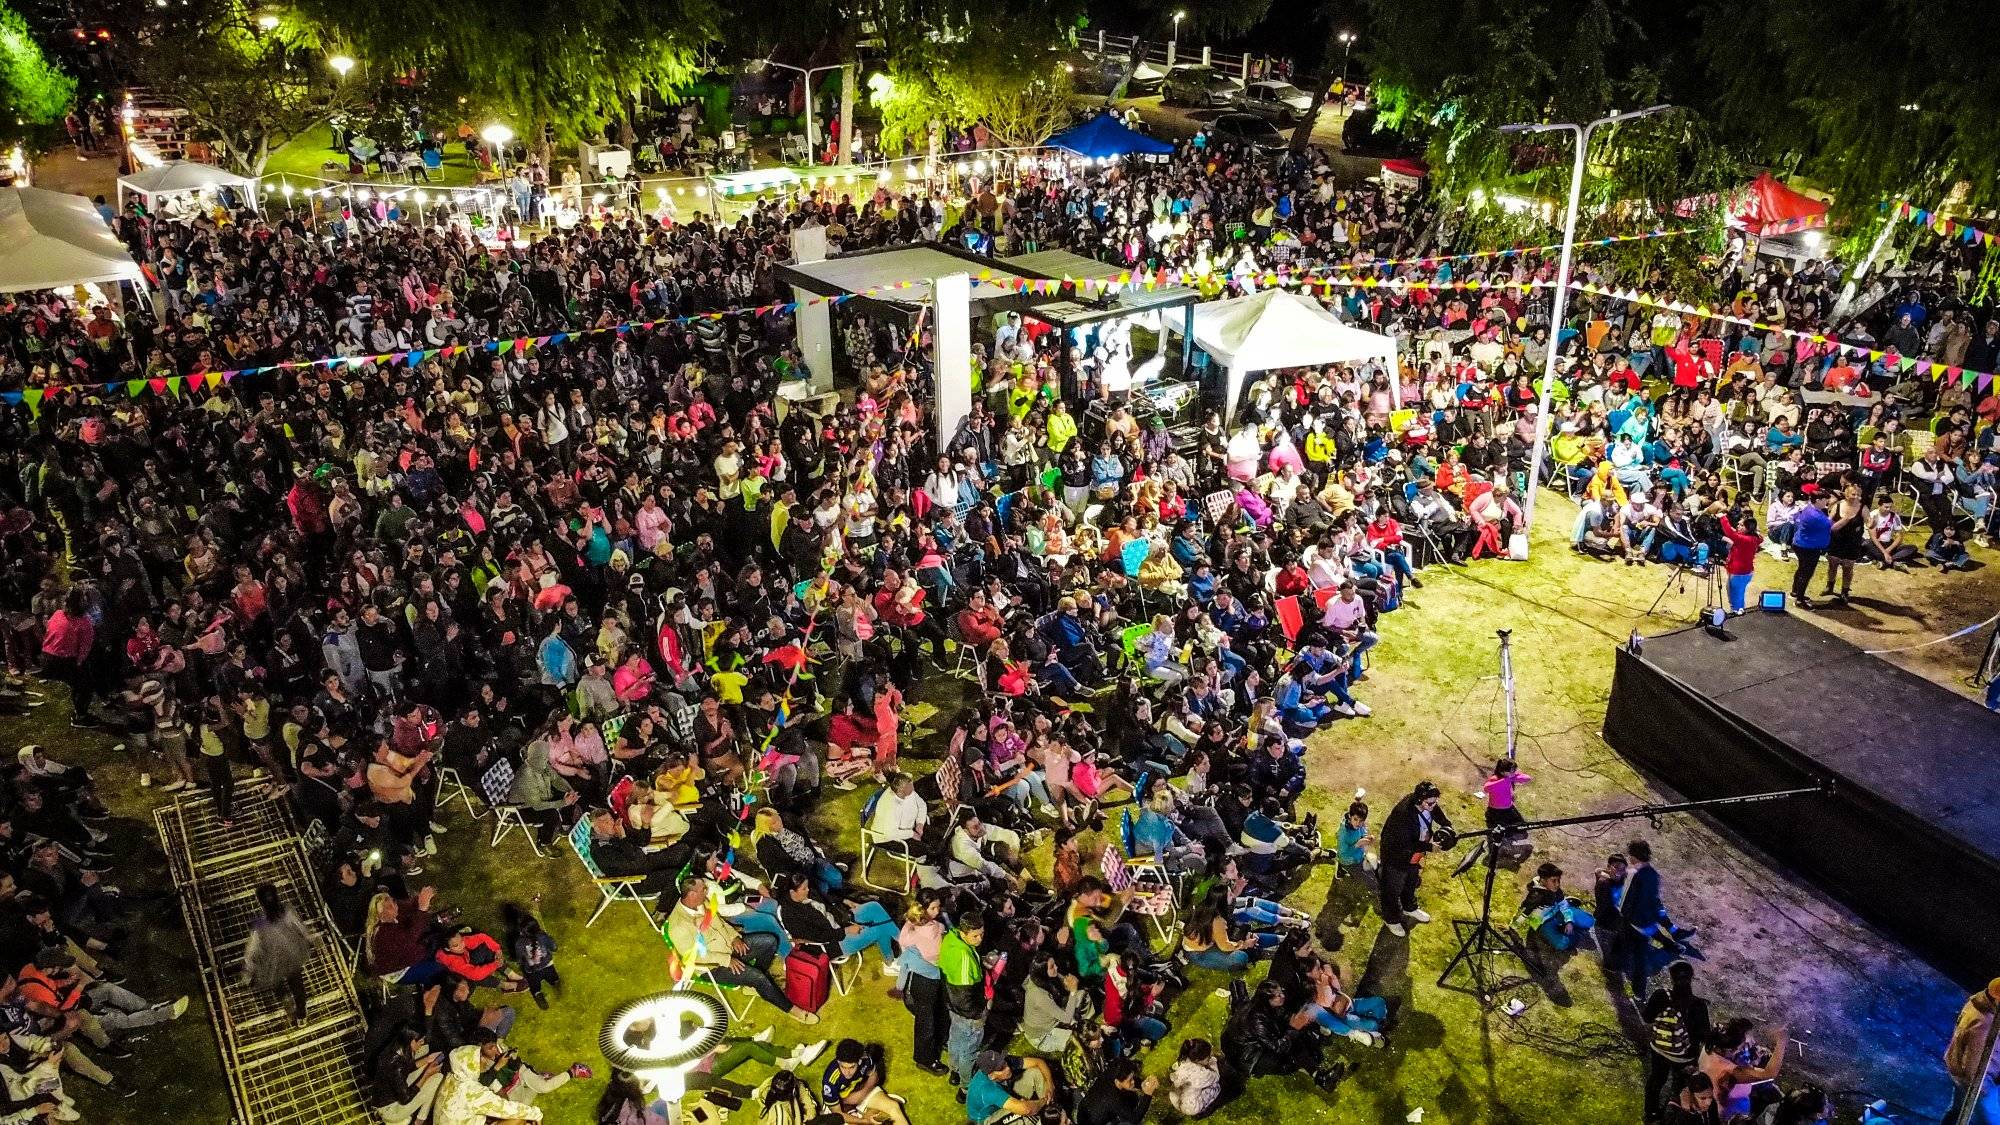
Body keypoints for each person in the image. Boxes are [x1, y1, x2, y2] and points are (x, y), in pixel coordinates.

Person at [667, 877, 819, 1024]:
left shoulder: (701, 903)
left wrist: (734, 937)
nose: (707, 891)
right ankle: (793, 1011)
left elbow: (720, 923)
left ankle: (753, 986)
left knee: (770, 941)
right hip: (713, 967)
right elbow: (693, 957)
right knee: (759, 977)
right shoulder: (679, 926)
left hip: (729, 947)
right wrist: (726, 960)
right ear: (692, 894)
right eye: (703, 889)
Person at [1378, 781, 1453, 937]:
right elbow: (1404, 843)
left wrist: (1446, 825)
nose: (1433, 805)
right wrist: (1429, 847)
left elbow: (1436, 811)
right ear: (1420, 800)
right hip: (1397, 857)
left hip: (1415, 853)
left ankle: (1409, 907)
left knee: (1411, 881)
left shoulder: (1428, 804)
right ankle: (1391, 919)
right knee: (1392, 889)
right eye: (1430, 803)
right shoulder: (1403, 815)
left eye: (1435, 802)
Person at [1641, 959, 1711, 1120]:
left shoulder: (1660, 995)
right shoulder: (1698, 1005)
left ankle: (1651, 1113)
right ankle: (1676, 1113)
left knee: (1656, 1080)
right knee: (1681, 1086)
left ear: (1671, 978)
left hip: (1659, 1048)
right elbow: (1704, 1035)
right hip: (1685, 1056)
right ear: (1691, 978)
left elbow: (1647, 1018)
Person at [241, 884, 315, 1023]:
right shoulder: (287, 911)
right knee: (297, 984)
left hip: (273, 959)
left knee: (275, 981)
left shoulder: (259, 924)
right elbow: (300, 927)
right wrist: (309, 938)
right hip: (292, 955)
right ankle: (301, 1014)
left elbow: (252, 947)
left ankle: (284, 997)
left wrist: (248, 968)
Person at [1945, 977, 2000, 1125]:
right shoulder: (1985, 1025)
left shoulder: (1976, 1003)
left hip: (1957, 1070)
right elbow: (1975, 1068)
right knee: (1992, 1120)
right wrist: (1984, 1093)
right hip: (1979, 1083)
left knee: (1956, 1110)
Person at [819, 1039, 911, 1125]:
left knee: (893, 1107)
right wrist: (864, 1121)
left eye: (851, 1067)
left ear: (859, 1061)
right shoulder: (830, 1080)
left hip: (861, 1091)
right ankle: (868, 1112)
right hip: (840, 1105)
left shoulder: (865, 1059)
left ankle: (869, 1110)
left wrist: (862, 1093)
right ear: (838, 1062)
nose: (847, 1072)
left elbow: (873, 1075)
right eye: (843, 1067)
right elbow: (838, 1114)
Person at [964, 1050, 1053, 1125]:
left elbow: (1038, 1062)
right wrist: (1043, 1101)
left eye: (1004, 1063)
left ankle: (1051, 1109)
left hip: (1003, 1096)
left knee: (1035, 1073)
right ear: (992, 1076)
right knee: (1028, 1116)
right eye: (1001, 1068)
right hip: (987, 1119)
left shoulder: (1003, 1062)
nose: (1007, 1068)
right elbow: (1026, 1109)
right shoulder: (988, 1090)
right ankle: (1048, 1118)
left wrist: (1050, 1084)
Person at [1078, 1056, 1157, 1125]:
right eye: (1130, 1080)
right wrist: (1148, 1094)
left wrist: (1142, 1083)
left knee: (1133, 1098)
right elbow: (1135, 1119)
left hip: (1087, 1107)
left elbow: (1127, 1079)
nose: (1133, 1081)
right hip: (1091, 1121)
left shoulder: (1112, 1072)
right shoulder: (1112, 1097)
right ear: (1117, 1081)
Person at [1788, 490, 1834, 608]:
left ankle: (1795, 591)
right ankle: (1799, 600)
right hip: (1808, 547)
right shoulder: (1815, 515)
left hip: (1801, 544)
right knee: (1806, 573)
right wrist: (1846, 518)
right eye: (1825, 500)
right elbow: (1832, 525)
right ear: (1818, 500)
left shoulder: (1810, 508)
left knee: (1801, 569)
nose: (1827, 502)